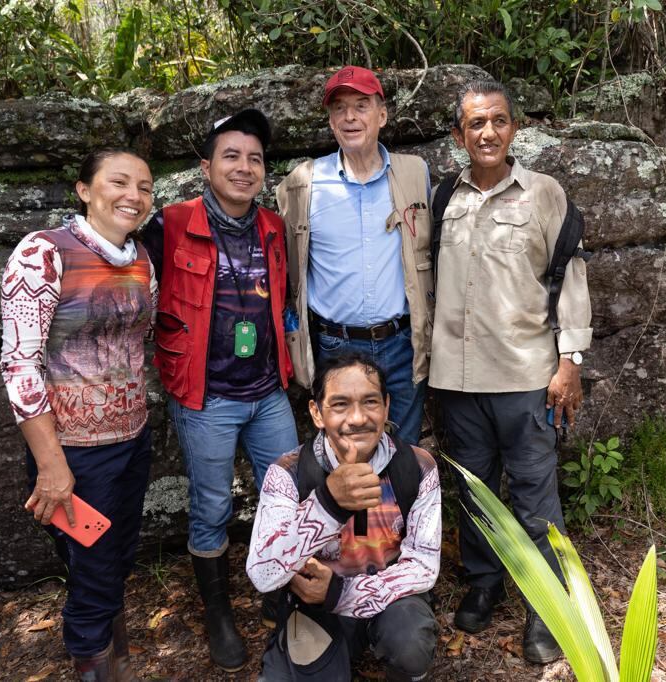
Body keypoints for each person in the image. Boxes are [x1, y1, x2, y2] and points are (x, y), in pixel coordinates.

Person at [429, 80, 593, 664]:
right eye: (475, 123)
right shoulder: (445, 195)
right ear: (459, 135)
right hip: (457, 376)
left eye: (498, 120)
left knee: (534, 493)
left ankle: (545, 604)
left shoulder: (545, 194)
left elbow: (569, 278)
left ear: (514, 128)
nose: (488, 132)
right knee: (473, 492)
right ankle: (484, 581)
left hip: (527, 375)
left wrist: (569, 363)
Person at [142, 109, 297, 672]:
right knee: (211, 506)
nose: (244, 167)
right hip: (205, 397)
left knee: (287, 493)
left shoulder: (274, 228)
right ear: (205, 167)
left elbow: (284, 300)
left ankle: (279, 592)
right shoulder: (170, 223)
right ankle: (217, 611)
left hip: (267, 390)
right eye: (230, 156)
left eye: (254, 159)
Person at [0, 148, 157, 681]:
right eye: (119, 182)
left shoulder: (139, 259)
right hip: (75, 455)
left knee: (117, 555)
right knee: (92, 570)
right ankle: (96, 664)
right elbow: (20, 367)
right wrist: (51, 466)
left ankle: (119, 658)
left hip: (132, 439)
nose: (133, 196)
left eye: (144, 187)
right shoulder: (43, 253)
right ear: (85, 190)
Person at [246, 351, 441, 681]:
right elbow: (264, 574)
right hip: (315, 605)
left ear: (387, 406)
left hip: (392, 600)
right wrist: (327, 503)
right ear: (316, 413)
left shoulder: (418, 466)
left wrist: (340, 593)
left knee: (410, 644)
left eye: (370, 402)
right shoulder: (289, 473)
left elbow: (423, 565)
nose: (357, 418)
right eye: (339, 405)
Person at [277, 65, 433, 445]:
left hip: (401, 342)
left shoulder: (414, 173)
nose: (350, 117)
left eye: (362, 106)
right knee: (346, 454)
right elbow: (288, 272)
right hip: (335, 345)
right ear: (330, 121)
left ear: (382, 114)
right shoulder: (302, 184)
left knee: (405, 454)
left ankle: (400, 507)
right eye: (340, 108)